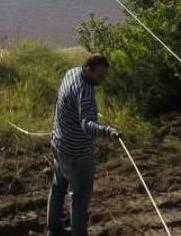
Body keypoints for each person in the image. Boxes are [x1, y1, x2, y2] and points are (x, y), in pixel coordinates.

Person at [47, 54, 120, 236]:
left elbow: (60, 102)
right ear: (88, 69)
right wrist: (108, 131)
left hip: (58, 144)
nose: (102, 80)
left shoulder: (71, 73)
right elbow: (86, 124)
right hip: (77, 154)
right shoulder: (85, 91)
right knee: (80, 196)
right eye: (99, 76)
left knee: (58, 187)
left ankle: (53, 230)